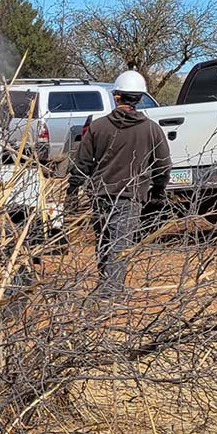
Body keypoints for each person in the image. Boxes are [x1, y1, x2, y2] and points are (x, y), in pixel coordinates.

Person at [70, 70, 172, 294]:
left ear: (116, 97)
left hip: (99, 195)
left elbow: (81, 163)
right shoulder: (151, 129)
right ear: (140, 98)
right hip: (130, 197)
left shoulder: (98, 127)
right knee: (120, 244)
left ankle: (107, 287)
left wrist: (72, 190)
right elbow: (163, 165)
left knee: (104, 242)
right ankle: (111, 292)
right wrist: (158, 191)